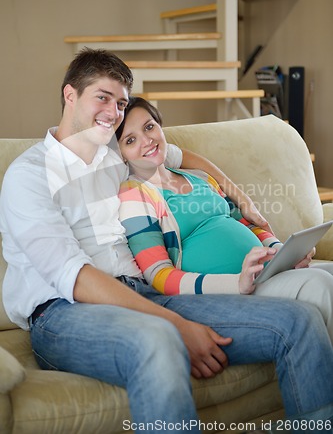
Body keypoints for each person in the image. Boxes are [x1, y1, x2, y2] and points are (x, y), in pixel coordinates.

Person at [1, 49, 333, 434]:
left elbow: (182, 155)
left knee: (300, 322)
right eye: (102, 97)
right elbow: (74, 277)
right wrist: (176, 324)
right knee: (159, 339)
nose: (113, 111)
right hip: (65, 313)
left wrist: (244, 201)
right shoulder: (28, 175)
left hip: (147, 295)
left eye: (121, 103)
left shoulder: (116, 154)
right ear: (70, 95)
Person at [117, 97, 333, 343]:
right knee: (320, 285)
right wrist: (236, 283)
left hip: (264, 272)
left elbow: (243, 222)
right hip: (230, 291)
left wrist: (281, 251)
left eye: (149, 127)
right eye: (130, 140)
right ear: (122, 155)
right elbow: (158, 275)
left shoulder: (197, 176)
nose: (147, 141)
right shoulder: (135, 195)